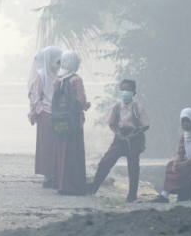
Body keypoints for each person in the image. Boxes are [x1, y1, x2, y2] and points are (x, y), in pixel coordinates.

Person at [87, 79, 150, 202]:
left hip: (134, 138)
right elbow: (111, 124)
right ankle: (94, 187)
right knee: (105, 161)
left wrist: (133, 135)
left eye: (128, 90)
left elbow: (145, 125)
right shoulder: (116, 107)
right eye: (122, 90)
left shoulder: (138, 108)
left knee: (133, 167)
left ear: (134, 93)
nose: (125, 92)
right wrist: (118, 134)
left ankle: (132, 195)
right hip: (120, 137)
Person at [51, 50, 91, 196]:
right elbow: (80, 101)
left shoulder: (57, 80)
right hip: (74, 122)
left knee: (62, 152)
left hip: (60, 121)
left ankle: (61, 184)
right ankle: (73, 186)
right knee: (74, 153)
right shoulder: (76, 80)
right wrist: (87, 105)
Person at [27, 46, 62, 187]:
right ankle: (48, 176)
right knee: (46, 146)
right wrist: (38, 111)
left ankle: (56, 173)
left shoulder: (58, 75)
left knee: (57, 145)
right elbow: (35, 96)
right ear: (51, 60)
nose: (59, 64)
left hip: (58, 114)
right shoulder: (41, 75)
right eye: (58, 61)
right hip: (46, 115)